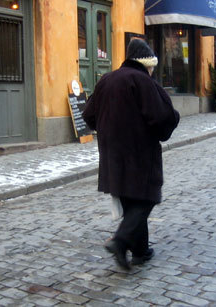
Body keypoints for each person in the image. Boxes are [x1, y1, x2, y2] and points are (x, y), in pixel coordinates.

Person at [83, 39, 180, 270]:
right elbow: (163, 117)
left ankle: (140, 251)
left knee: (131, 198)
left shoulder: (107, 79)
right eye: (152, 68)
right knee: (147, 196)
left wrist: (108, 129)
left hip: (111, 151)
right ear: (146, 64)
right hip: (139, 150)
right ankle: (120, 240)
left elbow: (88, 115)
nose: (152, 71)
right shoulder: (143, 81)